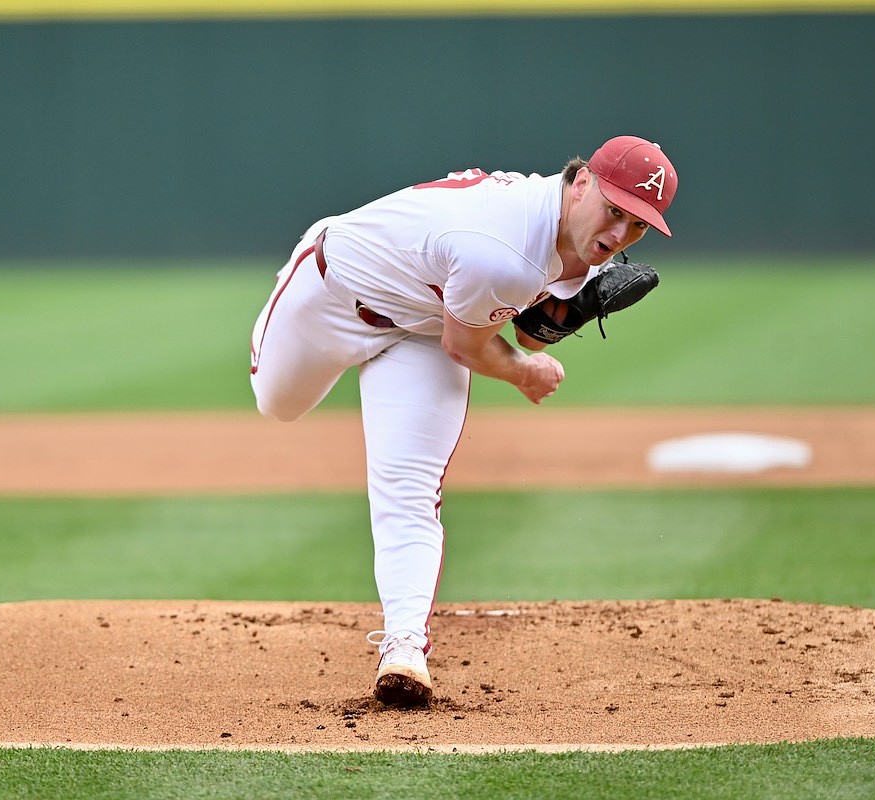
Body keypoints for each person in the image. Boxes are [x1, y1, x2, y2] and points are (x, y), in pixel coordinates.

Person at [248, 135, 678, 706]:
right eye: (615, 210)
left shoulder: (572, 237)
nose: (621, 234)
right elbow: (470, 345)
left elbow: (524, 327)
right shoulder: (501, 247)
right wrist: (524, 372)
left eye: (639, 224)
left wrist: (568, 312)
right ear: (581, 184)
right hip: (333, 294)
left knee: (409, 490)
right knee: (277, 403)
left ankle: (404, 648)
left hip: (424, 330)